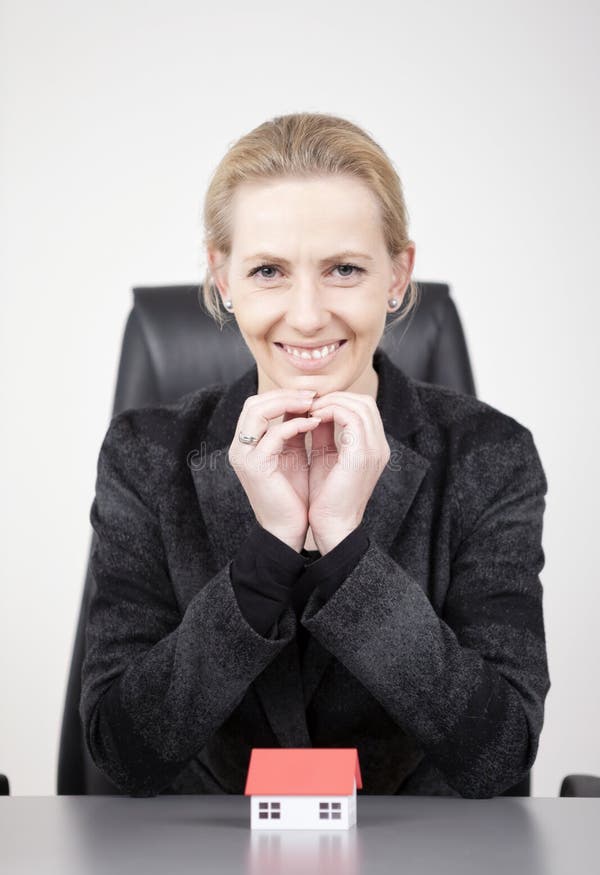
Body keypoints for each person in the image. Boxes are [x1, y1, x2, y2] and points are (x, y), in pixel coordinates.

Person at [79, 112, 550, 800]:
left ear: (397, 274)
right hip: (201, 868)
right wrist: (266, 556)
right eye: (268, 270)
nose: (306, 314)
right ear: (222, 278)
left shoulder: (490, 456)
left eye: (344, 269)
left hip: (420, 868)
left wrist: (346, 554)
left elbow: (501, 752)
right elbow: (122, 752)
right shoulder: (144, 456)